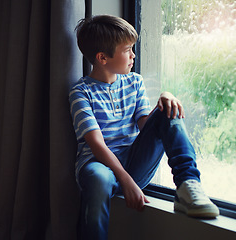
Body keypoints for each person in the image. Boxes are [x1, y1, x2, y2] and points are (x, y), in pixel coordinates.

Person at [69, 15, 219, 240]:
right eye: (127, 50)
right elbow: (96, 144)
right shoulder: (81, 92)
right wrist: (126, 180)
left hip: (133, 162)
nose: (133, 55)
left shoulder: (134, 82)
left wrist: (165, 98)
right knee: (99, 179)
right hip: (98, 166)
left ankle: (188, 184)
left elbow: (144, 125)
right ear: (102, 58)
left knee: (168, 108)